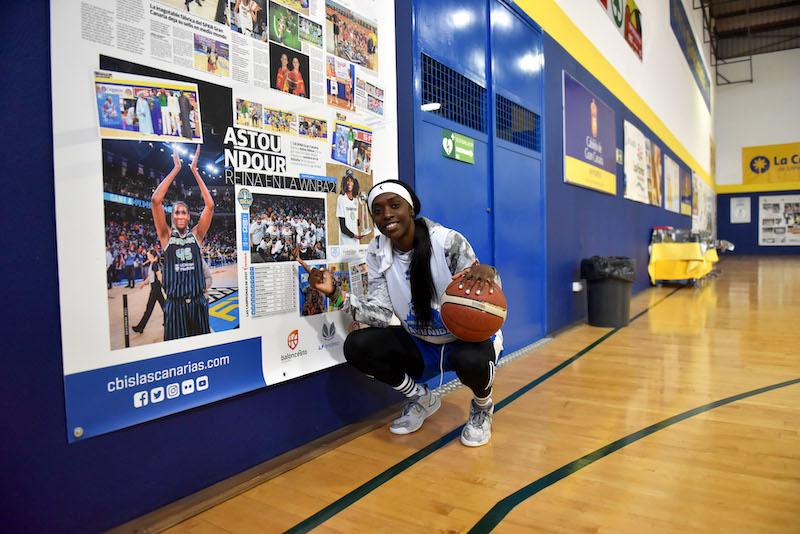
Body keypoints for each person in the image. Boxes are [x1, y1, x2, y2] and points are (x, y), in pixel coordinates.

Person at [300, 180, 501, 447]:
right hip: (421, 341)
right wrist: (336, 293)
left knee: (473, 362)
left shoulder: (446, 242)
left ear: (411, 209)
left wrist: (490, 274)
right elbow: (382, 313)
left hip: (461, 340)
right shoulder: (376, 251)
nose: (387, 215)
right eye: (378, 210)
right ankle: (421, 397)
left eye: (395, 206)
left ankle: (482, 406)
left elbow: (483, 295)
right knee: (358, 345)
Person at [151, 145, 214, 341]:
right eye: (176, 212)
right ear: (172, 217)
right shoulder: (166, 236)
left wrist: (195, 171)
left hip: (197, 303)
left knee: (202, 350)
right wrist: (176, 168)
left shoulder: (197, 235)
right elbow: (155, 200)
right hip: (175, 305)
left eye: (183, 212)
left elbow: (210, 205)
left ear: (188, 217)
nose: (180, 215)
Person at [132, 250, 165, 334]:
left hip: (155, 289)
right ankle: (170, 322)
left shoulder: (154, 264)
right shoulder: (153, 264)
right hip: (155, 288)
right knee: (164, 306)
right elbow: (151, 277)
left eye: (149, 254)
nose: (147, 255)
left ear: (152, 256)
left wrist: (164, 286)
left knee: (149, 309)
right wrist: (143, 283)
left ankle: (140, 327)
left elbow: (159, 275)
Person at [336, 170, 361, 247]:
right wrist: (355, 236)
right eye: (347, 181)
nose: (349, 183)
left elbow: (356, 223)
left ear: (354, 183)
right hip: (346, 242)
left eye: (351, 181)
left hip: (356, 242)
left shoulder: (356, 200)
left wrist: (362, 219)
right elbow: (343, 228)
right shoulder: (341, 198)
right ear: (344, 182)